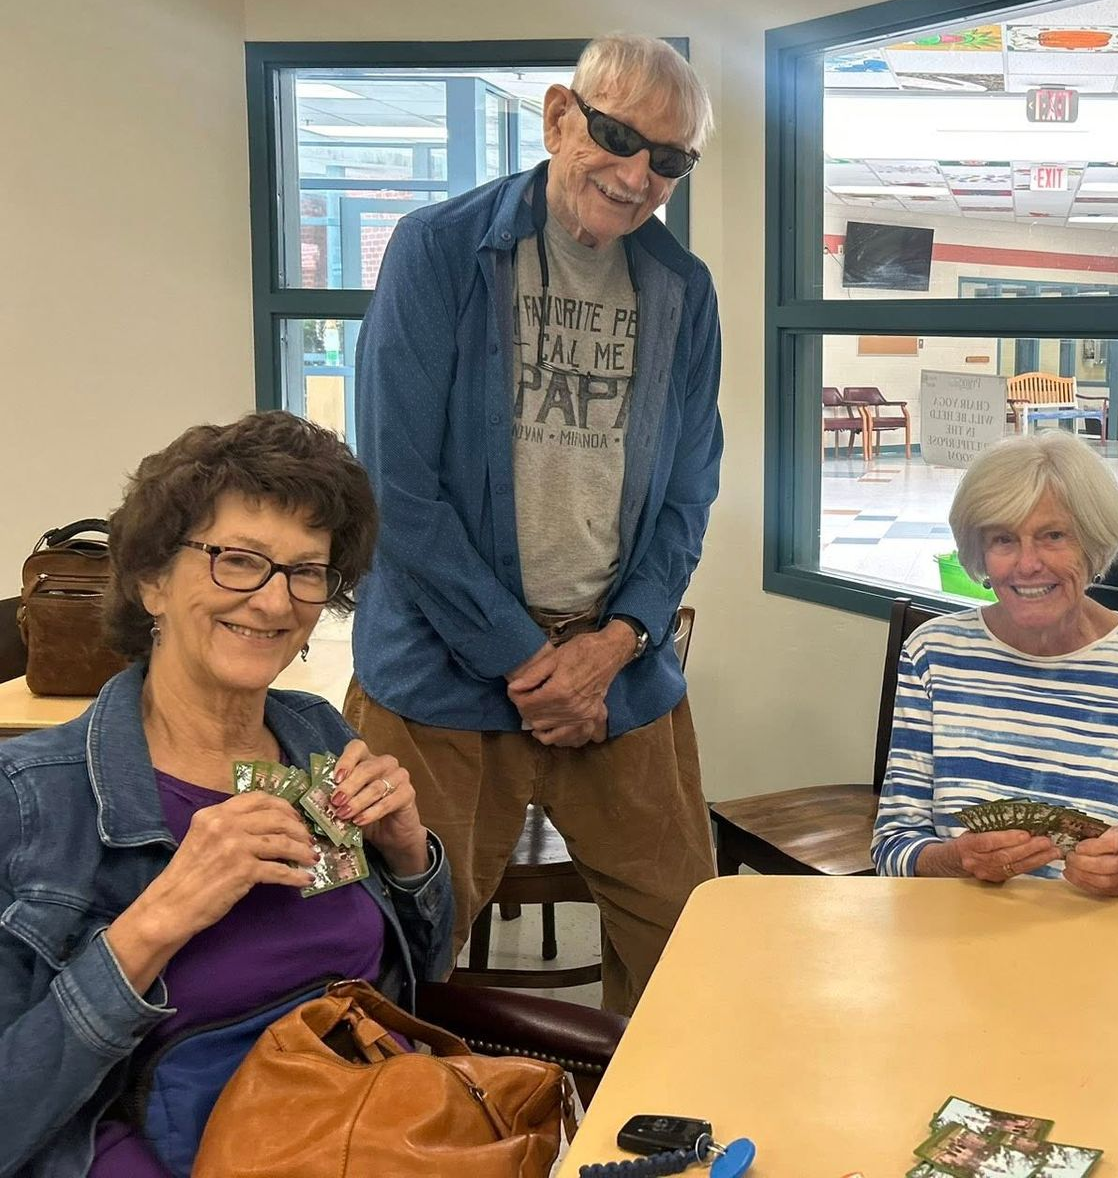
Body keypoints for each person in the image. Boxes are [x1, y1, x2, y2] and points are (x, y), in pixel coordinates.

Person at [347, 34, 722, 1014]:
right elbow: (397, 488)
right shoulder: (438, 248)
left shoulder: (687, 290)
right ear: (560, 117)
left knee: (688, 939)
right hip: (439, 665)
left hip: (613, 670)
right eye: (616, 135)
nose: (638, 172)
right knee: (391, 945)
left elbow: (688, 492)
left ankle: (654, 1146)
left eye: (669, 159)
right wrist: (523, 655)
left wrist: (616, 641)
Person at [0, 412, 453, 1178]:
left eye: (307, 571)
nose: (276, 604)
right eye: (238, 561)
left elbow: (416, 979)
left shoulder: (315, 734)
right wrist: (158, 920)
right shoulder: (35, 800)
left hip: (374, 1127)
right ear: (150, 580)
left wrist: (410, 859)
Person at [871, 432, 1118, 892]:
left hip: (1106, 945)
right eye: (1003, 539)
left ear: (1093, 545)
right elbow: (891, 849)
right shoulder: (932, 655)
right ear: (980, 554)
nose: (1027, 564)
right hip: (957, 942)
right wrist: (955, 860)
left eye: (1053, 536)